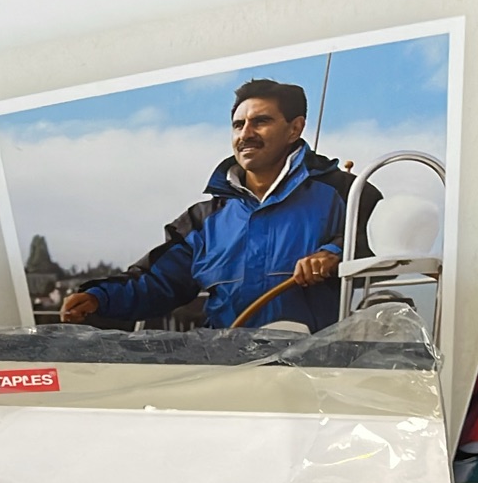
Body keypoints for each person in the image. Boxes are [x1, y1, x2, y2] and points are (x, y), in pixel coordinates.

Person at [59, 78, 373, 334]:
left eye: (261, 122)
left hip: (317, 367)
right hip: (226, 363)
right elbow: (157, 282)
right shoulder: (203, 220)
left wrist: (334, 253)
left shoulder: (347, 192)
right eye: (238, 125)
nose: (246, 134)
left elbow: (381, 242)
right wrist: (98, 297)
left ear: (294, 128)